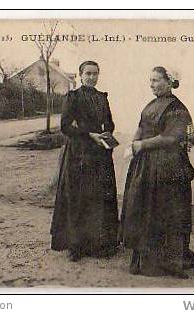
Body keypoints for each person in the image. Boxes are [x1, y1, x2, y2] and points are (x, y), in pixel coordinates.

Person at [121, 66, 194, 279]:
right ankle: (145, 258)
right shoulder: (151, 104)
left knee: (165, 211)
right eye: (151, 80)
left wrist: (142, 145)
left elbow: (171, 138)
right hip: (146, 165)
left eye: (156, 80)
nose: (152, 84)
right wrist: (134, 141)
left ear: (168, 81)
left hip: (168, 166)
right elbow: (141, 124)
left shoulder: (177, 108)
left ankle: (167, 260)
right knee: (145, 209)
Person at [50, 61, 119, 261]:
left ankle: (98, 245)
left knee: (98, 198)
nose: (91, 77)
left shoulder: (102, 97)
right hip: (79, 154)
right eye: (88, 73)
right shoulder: (73, 97)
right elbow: (65, 127)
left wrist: (107, 132)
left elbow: (110, 121)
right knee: (78, 198)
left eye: (95, 74)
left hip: (100, 154)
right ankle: (76, 246)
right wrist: (90, 134)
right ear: (80, 75)